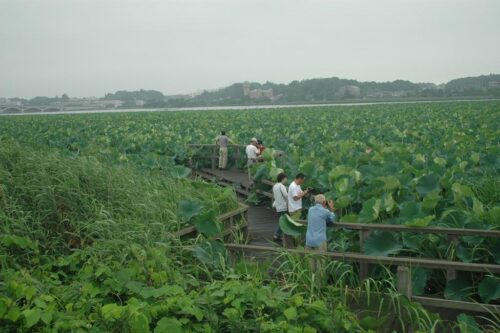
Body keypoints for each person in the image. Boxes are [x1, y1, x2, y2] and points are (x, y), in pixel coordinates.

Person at [306, 194, 336, 274]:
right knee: (321, 266)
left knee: (310, 265)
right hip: (320, 240)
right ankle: (319, 284)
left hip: (309, 240)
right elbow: (332, 219)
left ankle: (310, 284)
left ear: (315, 202)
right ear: (324, 202)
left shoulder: (310, 210)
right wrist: (332, 208)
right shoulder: (325, 211)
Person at [272, 172, 288, 241]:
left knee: (281, 220)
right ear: (283, 179)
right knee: (283, 221)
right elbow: (286, 196)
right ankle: (277, 235)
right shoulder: (282, 186)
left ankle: (278, 235)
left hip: (278, 206)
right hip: (283, 206)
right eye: (286, 179)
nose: (286, 180)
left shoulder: (275, 186)